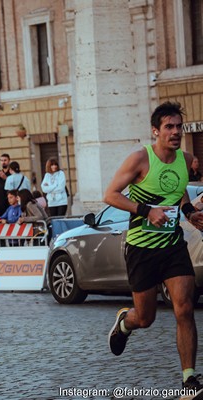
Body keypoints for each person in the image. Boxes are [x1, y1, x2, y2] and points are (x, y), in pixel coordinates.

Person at [104, 101, 203, 396]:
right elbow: (110, 195)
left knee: (184, 308)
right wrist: (146, 210)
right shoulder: (139, 159)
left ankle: (189, 379)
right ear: (155, 131)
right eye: (168, 127)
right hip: (141, 249)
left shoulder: (186, 160)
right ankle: (125, 323)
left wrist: (188, 212)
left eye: (178, 127)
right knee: (146, 318)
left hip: (172, 245)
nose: (175, 132)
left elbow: (179, 189)